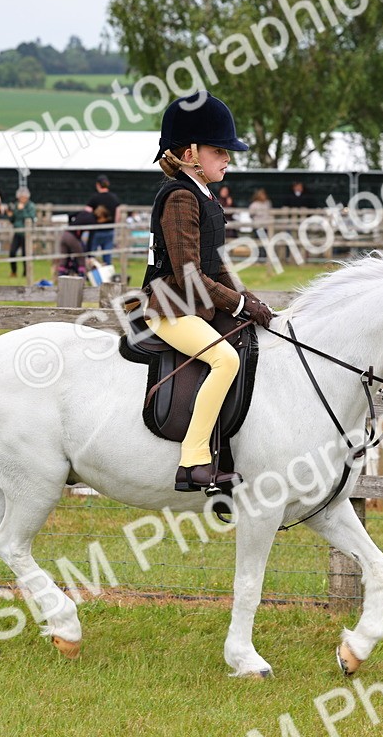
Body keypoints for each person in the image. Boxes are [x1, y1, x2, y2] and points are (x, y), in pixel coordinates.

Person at [139, 92, 274, 495]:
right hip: (170, 308)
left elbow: (217, 264)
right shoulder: (181, 197)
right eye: (219, 151)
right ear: (190, 154)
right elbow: (189, 275)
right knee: (224, 359)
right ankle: (194, 460)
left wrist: (249, 299)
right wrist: (238, 303)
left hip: (193, 304)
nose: (227, 158)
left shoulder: (204, 195)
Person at [87, 175, 119, 265]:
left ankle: (92, 270)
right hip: (109, 229)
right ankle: (107, 271)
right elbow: (118, 213)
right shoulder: (114, 198)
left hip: (96, 230)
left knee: (91, 255)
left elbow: (87, 212)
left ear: (98, 185)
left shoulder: (94, 198)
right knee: (107, 255)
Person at [7, 186, 36, 277]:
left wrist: (22, 210)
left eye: (23, 197)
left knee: (25, 254)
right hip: (17, 233)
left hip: (26, 234)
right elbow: (13, 220)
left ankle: (26, 273)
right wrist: (10, 215)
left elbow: (30, 218)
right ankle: (13, 271)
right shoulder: (16, 205)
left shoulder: (31, 206)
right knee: (12, 252)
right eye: (20, 197)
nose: (21, 199)